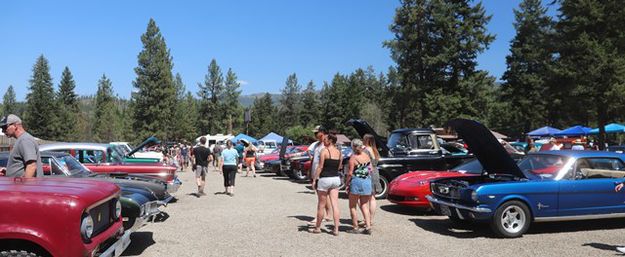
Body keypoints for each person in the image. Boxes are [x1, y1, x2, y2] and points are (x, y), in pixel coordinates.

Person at [309, 133, 342, 235]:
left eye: (326, 139)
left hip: (325, 179)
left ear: (331, 141)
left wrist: (314, 179)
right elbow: (339, 167)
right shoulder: (339, 152)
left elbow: (320, 166)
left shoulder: (324, 151)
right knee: (335, 204)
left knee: (321, 205)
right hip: (336, 179)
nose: (324, 141)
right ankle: (336, 229)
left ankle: (318, 228)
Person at [346, 139, 372, 235]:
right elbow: (370, 170)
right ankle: (368, 226)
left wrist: (346, 183)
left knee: (352, 206)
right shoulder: (367, 156)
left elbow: (350, 173)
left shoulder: (353, 157)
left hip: (356, 181)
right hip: (367, 181)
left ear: (353, 146)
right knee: (364, 205)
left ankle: (355, 227)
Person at [307, 125, 332, 225]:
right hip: (316, 172)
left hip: (322, 173)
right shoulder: (317, 144)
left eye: (317, 133)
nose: (315, 135)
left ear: (322, 132)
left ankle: (319, 218)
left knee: (321, 196)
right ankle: (328, 215)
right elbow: (313, 156)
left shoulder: (326, 143)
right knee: (323, 195)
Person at [363, 134, 382, 225]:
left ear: (366, 140)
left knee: (366, 198)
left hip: (368, 173)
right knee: (373, 198)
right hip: (375, 172)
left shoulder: (366, 150)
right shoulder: (375, 150)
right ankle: (370, 219)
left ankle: (367, 220)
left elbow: (365, 163)